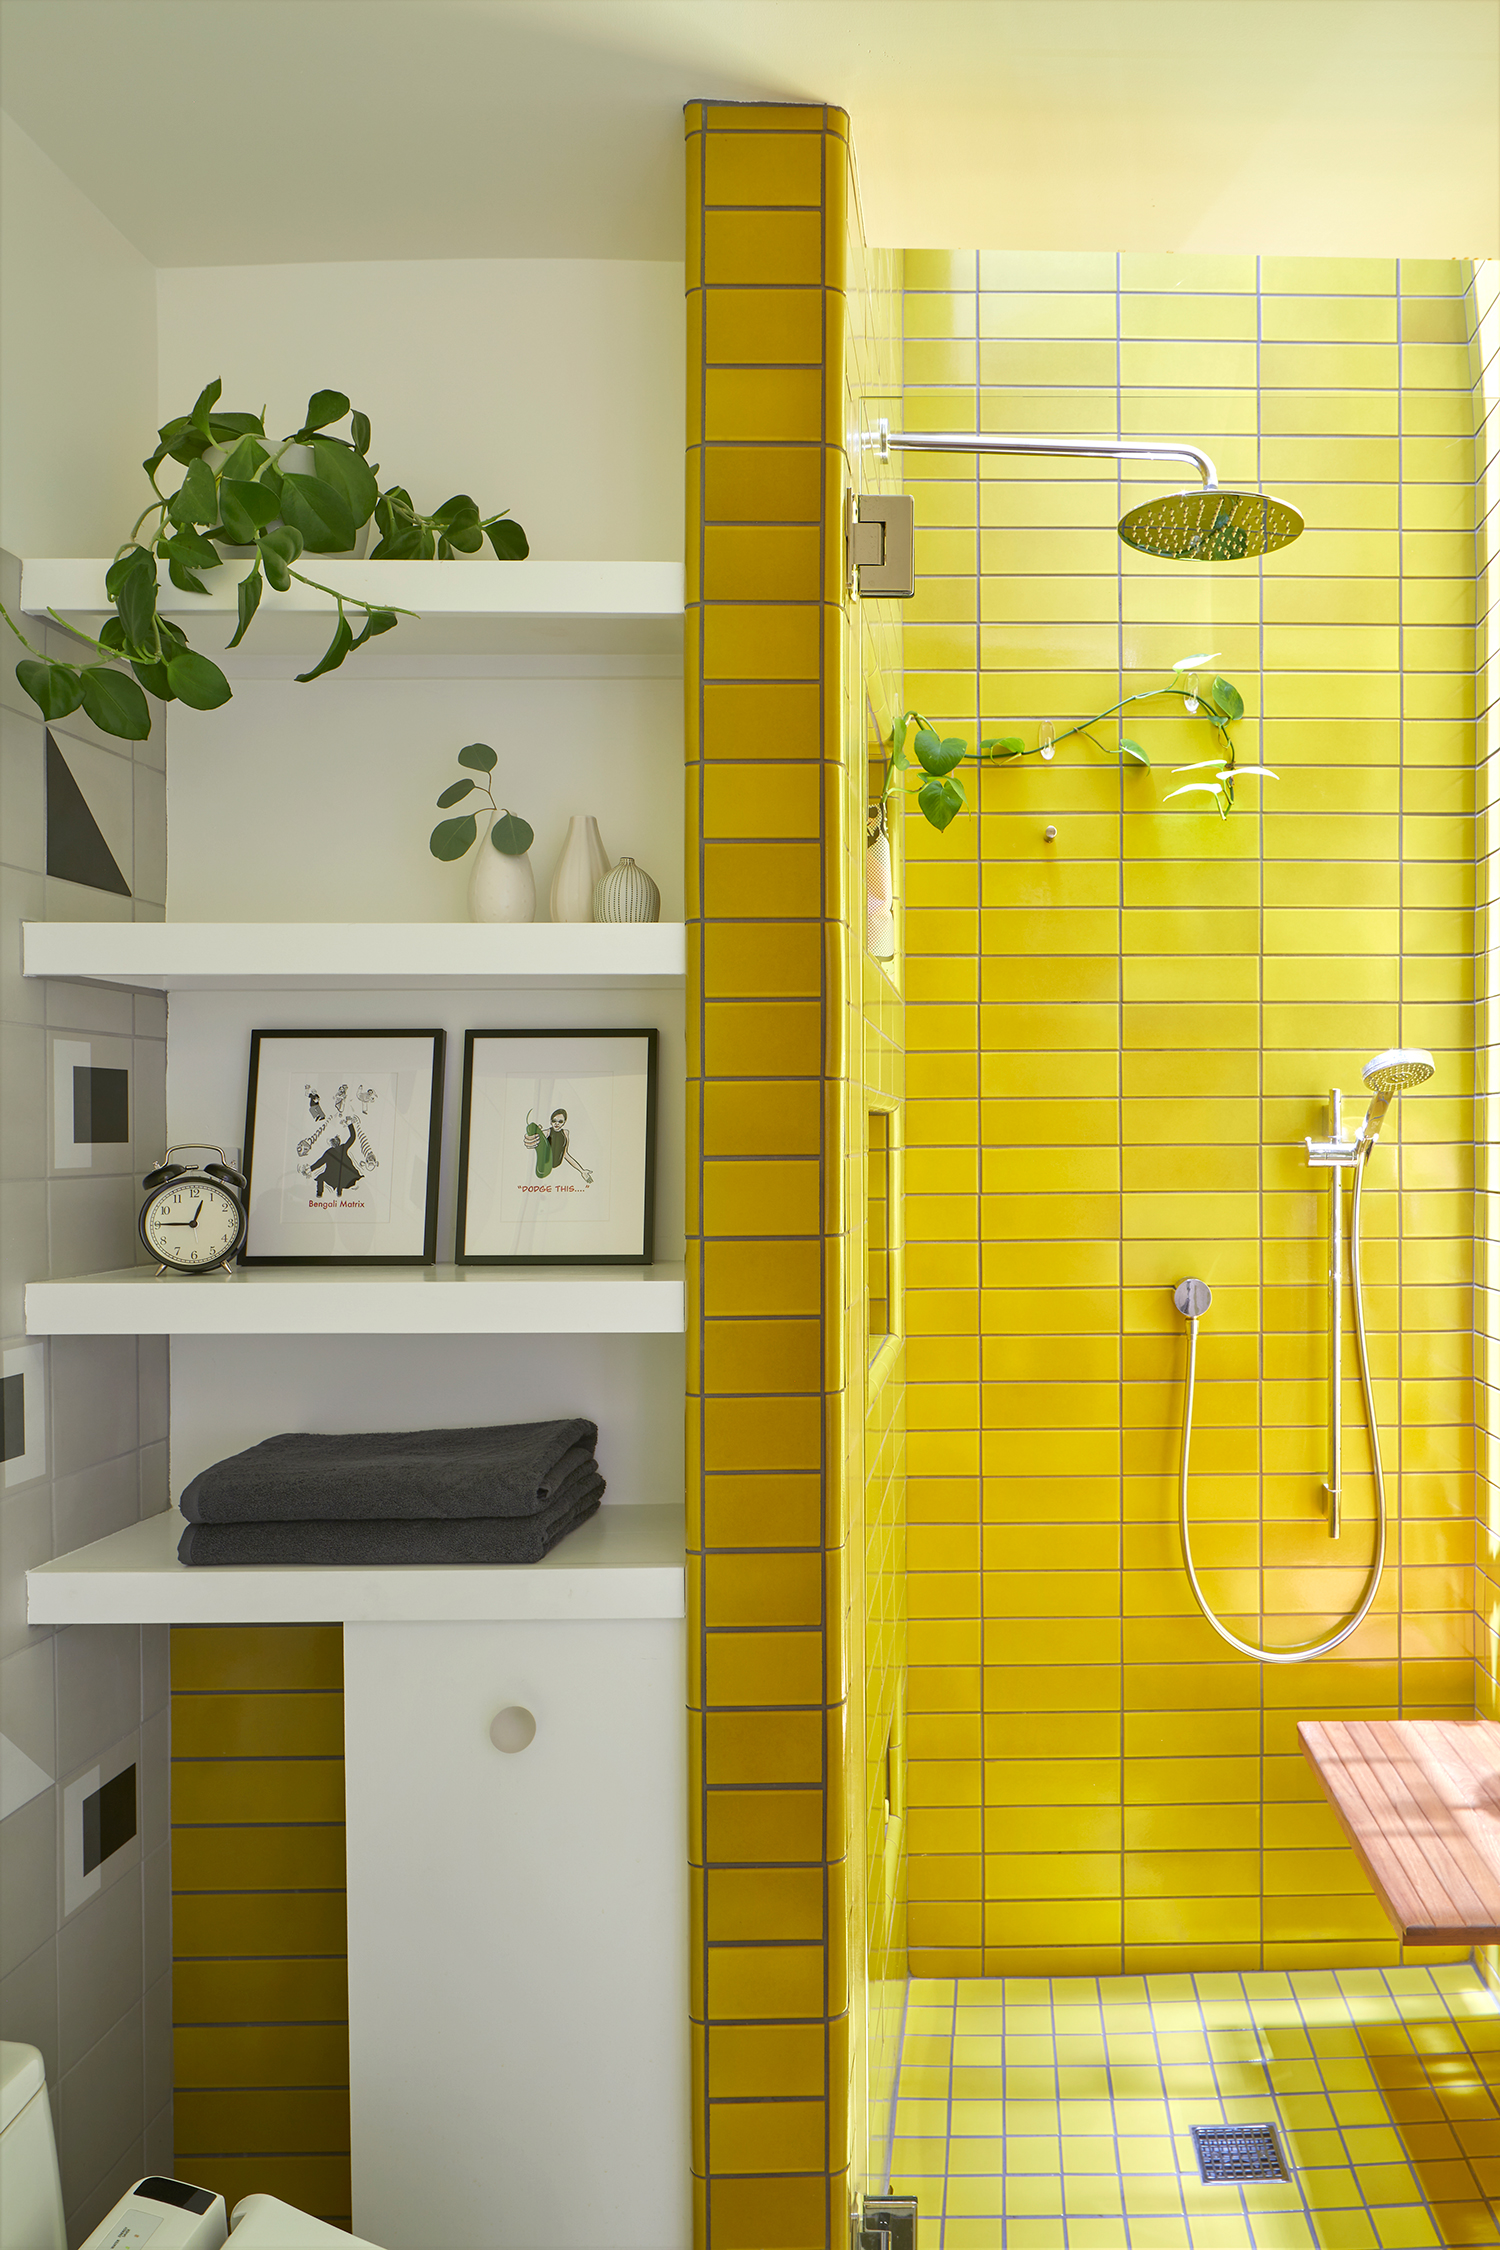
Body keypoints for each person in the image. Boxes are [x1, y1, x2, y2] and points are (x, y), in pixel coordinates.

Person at [523, 1107, 593, 1185]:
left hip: (560, 1172)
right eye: (554, 1121)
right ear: (550, 1122)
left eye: (560, 1121)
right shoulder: (546, 1133)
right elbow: (534, 1138)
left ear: (564, 1122)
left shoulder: (566, 1133)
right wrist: (530, 1137)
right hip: (545, 1170)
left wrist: (582, 1171)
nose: (557, 1123)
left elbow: (565, 1154)